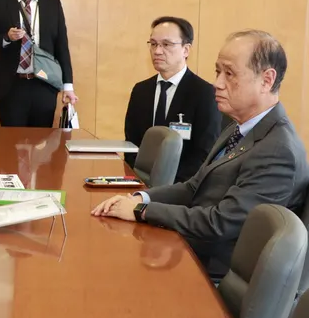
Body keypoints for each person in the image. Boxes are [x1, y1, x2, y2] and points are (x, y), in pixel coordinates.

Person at [92, 30, 309, 278]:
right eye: (218, 72)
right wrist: (140, 198)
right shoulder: (237, 127)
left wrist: (142, 211)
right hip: (191, 247)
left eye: (229, 74)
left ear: (266, 80)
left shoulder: (278, 150)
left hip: (217, 274)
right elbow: (194, 187)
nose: (217, 83)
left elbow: (221, 223)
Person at [124, 17, 221, 182]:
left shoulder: (204, 93)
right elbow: (131, 146)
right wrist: (139, 180)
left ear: (186, 50)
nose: (157, 51)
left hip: (182, 186)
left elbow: (204, 153)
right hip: (140, 184)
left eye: (166, 44)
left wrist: (167, 185)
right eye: (153, 44)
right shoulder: (141, 90)